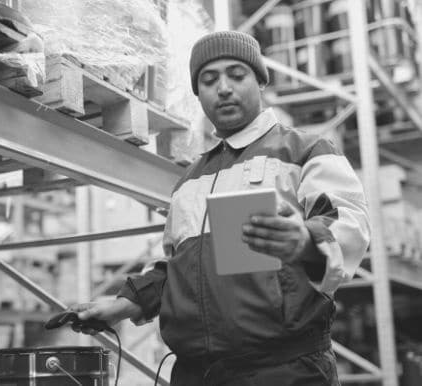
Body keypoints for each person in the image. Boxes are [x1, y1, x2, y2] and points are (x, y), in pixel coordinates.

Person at [70, 31, 370, 386]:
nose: (223, 88)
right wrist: (123, 305)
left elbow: (348, 231)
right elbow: (179, 268)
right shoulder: (191, 180)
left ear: (260, 81)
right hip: (198, 375)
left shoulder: (305, 151)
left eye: (237, 75)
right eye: (209, 81)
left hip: (284, 372)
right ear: (199, 95)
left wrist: (305, 242)